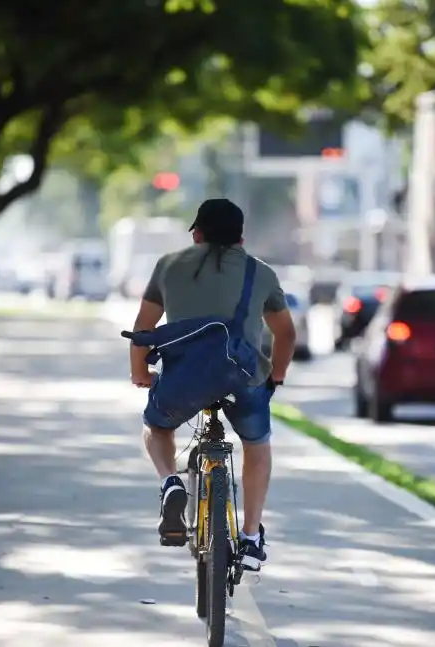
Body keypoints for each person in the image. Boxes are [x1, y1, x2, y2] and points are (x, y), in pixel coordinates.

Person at [129, 198, 296, 571]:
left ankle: (170, 481)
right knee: (257, 443)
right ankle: (251, 538)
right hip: (244, 378)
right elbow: (285, 333)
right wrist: (277, 376)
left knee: (156, 426)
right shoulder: (261, 273)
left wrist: (140, 373)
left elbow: (143, 329)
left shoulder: (168, 266)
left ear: (197, 233)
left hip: (183, 379)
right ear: (240, 238)